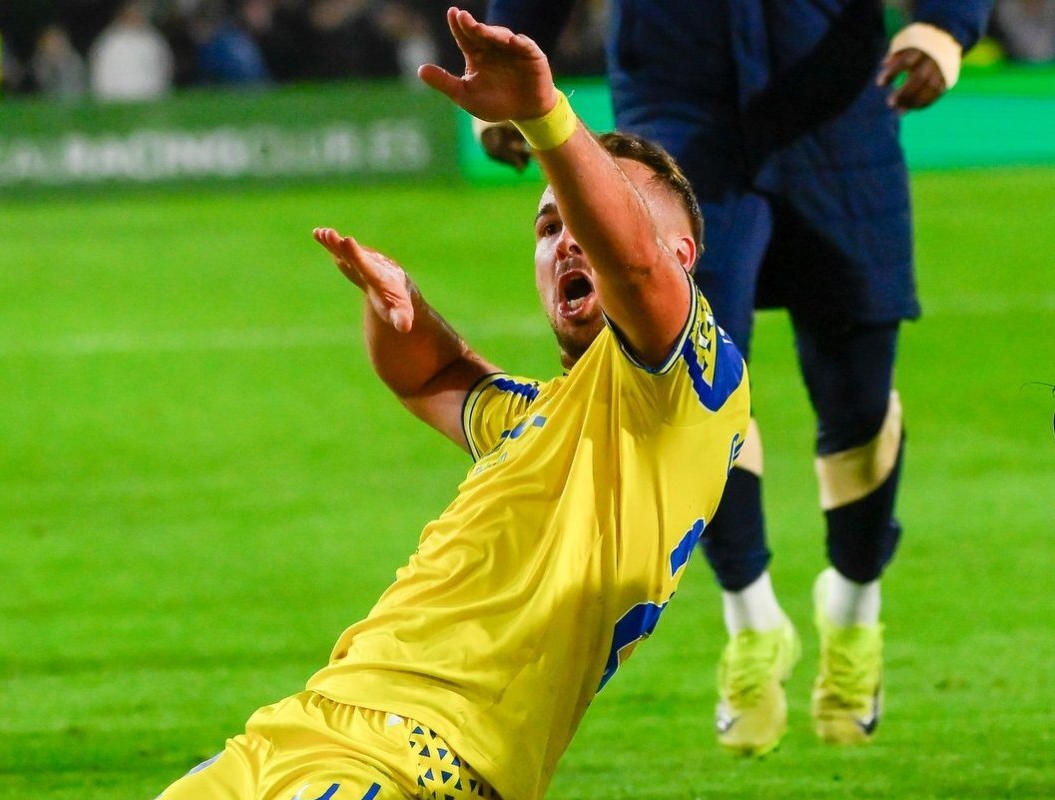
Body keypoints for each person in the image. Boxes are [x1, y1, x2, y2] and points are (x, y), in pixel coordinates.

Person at [156, 8, 749, 800]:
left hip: (423, 760)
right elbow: (425, 373)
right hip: (300, 729)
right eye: (548, 226)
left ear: (682, 257)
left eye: (585, 218)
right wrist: (396, 302)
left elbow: (634, 270)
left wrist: (544, 117)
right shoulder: (536, 418)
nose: (567, 236)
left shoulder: (687, 394)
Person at [480, 0, 994, 756]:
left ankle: (853, 606)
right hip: (680, 110)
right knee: (689, 379)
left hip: (837, 95)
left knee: (856, 396)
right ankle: (751, 622)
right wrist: (505, 59)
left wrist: (947, 23)